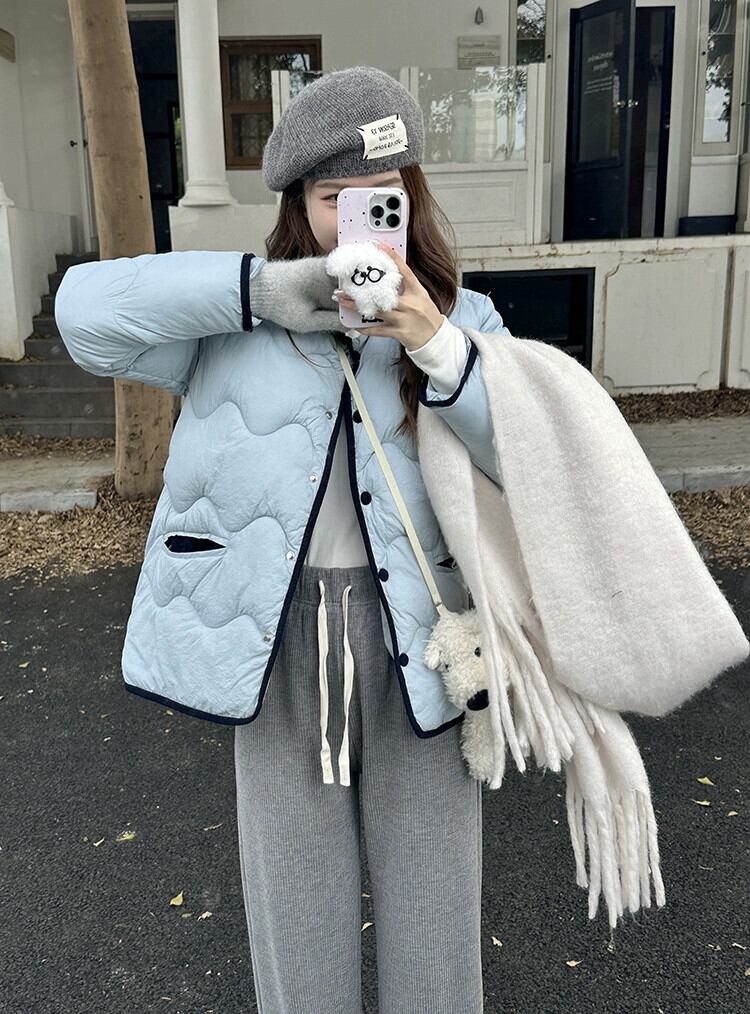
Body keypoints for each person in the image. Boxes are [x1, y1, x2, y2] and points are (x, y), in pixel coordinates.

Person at [55, 65, 512, 1014]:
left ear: (410, 197)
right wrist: (258, 291)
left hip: (421, 640)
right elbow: (85, 317)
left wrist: (433, 345)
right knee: (296, 928)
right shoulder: (230, 326)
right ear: (297, 205)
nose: (353, 221)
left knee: (437, 928)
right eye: (329, 196)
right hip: (275, 641)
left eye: (377, 197)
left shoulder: (463, 321)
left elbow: (527, 458)